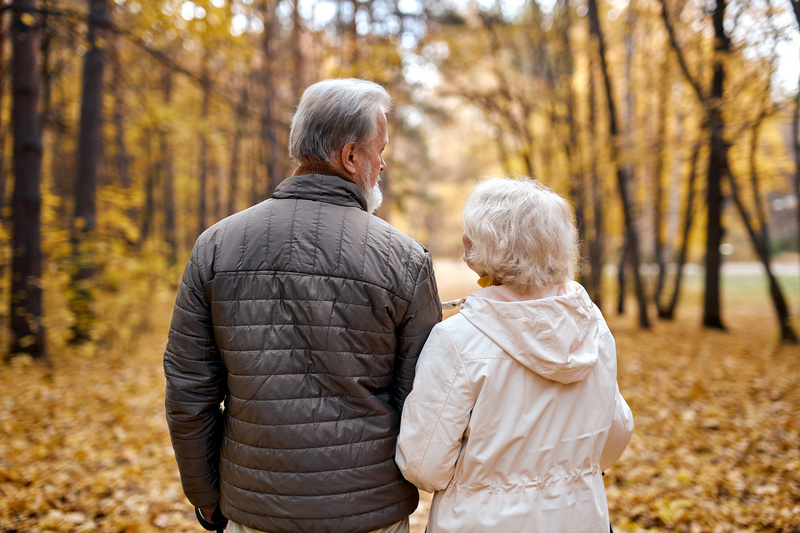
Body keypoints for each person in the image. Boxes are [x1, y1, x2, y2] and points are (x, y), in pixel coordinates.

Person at [164, 78, 442, 533]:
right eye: (380, 150)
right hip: (370, 515)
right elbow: (421, 400)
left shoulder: (216, 246)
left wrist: (206, 495)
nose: (384, 162)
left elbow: (189, 390)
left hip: (255, 513)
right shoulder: (405, 260)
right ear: (350, 157)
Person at [396, 176, 634, 532]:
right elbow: (615, 437)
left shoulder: (457, 340)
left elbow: (423, 465)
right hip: (580, 519)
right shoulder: (592, 328)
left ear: (476, 248)